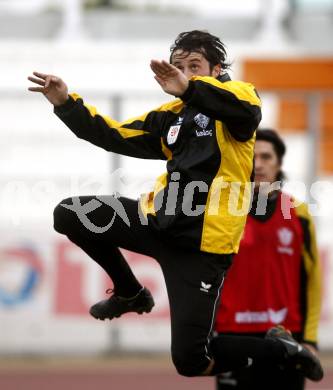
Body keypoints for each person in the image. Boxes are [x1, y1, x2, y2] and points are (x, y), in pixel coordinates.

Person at [27, 30, 323, 381]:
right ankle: (130, 292)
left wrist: (189, 88)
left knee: (190, 362)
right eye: (179, 66)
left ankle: (281, 350)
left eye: (194, 66)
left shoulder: (239, 98)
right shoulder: (171, 116)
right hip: (156, 222)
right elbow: (113, 134)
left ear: (217, 69)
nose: (184, 72)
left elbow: (246, 109)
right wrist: (65, 103)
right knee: (70, 214)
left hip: (201, 248)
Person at [214, 129, 322, 390]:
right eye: (252, 157)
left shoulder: (298, 213)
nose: (258, 164)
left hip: (286, 337)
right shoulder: (221, 212)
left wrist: (309, 339)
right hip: (232, 337)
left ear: (278, 163)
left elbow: (312, 280)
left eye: (266, 156)